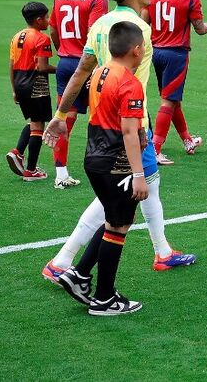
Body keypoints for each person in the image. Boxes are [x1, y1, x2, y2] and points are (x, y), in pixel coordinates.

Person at [43, 0, 195, 283]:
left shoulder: (100, 24)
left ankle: (163, 252)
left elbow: (81, 72)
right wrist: (139, 132)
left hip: (102, 121)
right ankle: (63, 261)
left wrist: (60, 115)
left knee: (148, 185)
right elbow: (133, 84)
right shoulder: (138, 28)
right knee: (118, 198)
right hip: (128, 126)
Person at [55, 21, 149, 316]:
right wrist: (138, 175)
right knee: (118, 226)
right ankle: (104, 298)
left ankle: (79, 275)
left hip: (93, 157)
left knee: (111, 221)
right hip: (116, 163)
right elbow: (129, 132)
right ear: (136, 50)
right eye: (143, 45)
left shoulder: (98, 72)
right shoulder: (130, 83)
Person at [48, 0, 106, 188]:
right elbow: (95, 34)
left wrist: (62, 49)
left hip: (65, 62)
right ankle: (104, 166)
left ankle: (61, 174)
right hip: (87, 64)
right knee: (102, 116)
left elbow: (53, 29)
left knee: (64, 119)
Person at [147, 0, 207, 164]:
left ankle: (187, 140)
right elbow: (200, 29)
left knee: (173, 99)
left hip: (155, 51)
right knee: (169, 100)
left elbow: (143, 22)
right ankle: (155, 149)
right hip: (176, 54)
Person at [8, 1, 55, 181]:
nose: (48, 21)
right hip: (36, 85)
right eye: (46, 17)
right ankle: (31, 170)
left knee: (34, 122)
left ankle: (18, 152)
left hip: (19, 83)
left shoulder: (16, 36)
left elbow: (11, 65)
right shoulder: (42, 39)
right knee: (38, 127)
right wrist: (63, 69)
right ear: (38, 20)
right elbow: (42, 68)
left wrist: (14, 90)